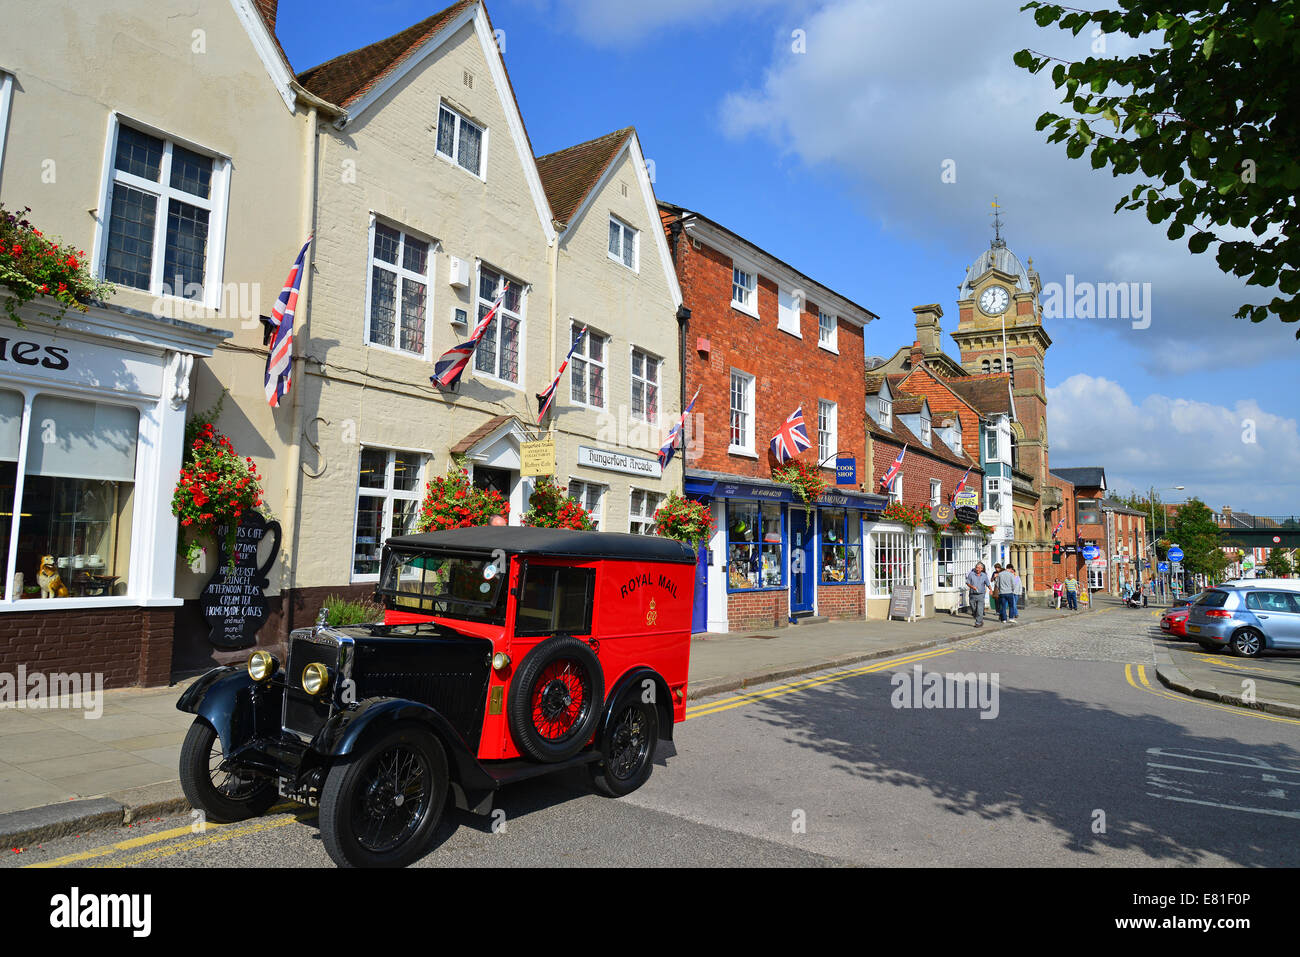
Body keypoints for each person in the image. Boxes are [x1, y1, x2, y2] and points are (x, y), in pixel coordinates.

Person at [966, 562, 992, 628]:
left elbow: (988, 583)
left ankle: (978, 622)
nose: (978, 569)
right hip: (972, 594)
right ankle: (976, 616)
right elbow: (967, 583)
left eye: (980, 568)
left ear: (982, 569)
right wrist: (972, 587)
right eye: (977, 567)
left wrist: (991, 590)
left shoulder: (984, 575)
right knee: (973, 607)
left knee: (980, 609)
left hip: (981, 594)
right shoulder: (971, 574)